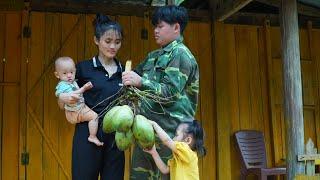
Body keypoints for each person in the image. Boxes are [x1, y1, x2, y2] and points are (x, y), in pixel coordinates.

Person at [122, 5, 199, 179]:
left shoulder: (181, 54)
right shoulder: (153, 56)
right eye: (154, 26)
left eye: (160, 26)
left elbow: (170, 93)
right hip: (146, 132)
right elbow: (133, 79)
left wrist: (141, 81)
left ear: (176, 27)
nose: (155, 30)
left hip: (171, 137)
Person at [57, 14, 125, 180]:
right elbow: (62, 102)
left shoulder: (124, 72)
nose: (113, 46)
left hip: (116, 137)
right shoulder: (82, 68)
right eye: (107, 41)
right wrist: (64, 99)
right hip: (87, 134)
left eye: (117, 42)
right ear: (96, 40)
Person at [55, 56, 104, 146]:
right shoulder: (63, 85)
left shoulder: (71, 82)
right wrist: (84, 88)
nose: (69, 75)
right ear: (57, 75)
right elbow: (74, 94)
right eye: (65, 73)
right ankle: (92, 136)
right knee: (94, 117)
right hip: (76, 111)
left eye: (71, 72)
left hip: (78, 108)